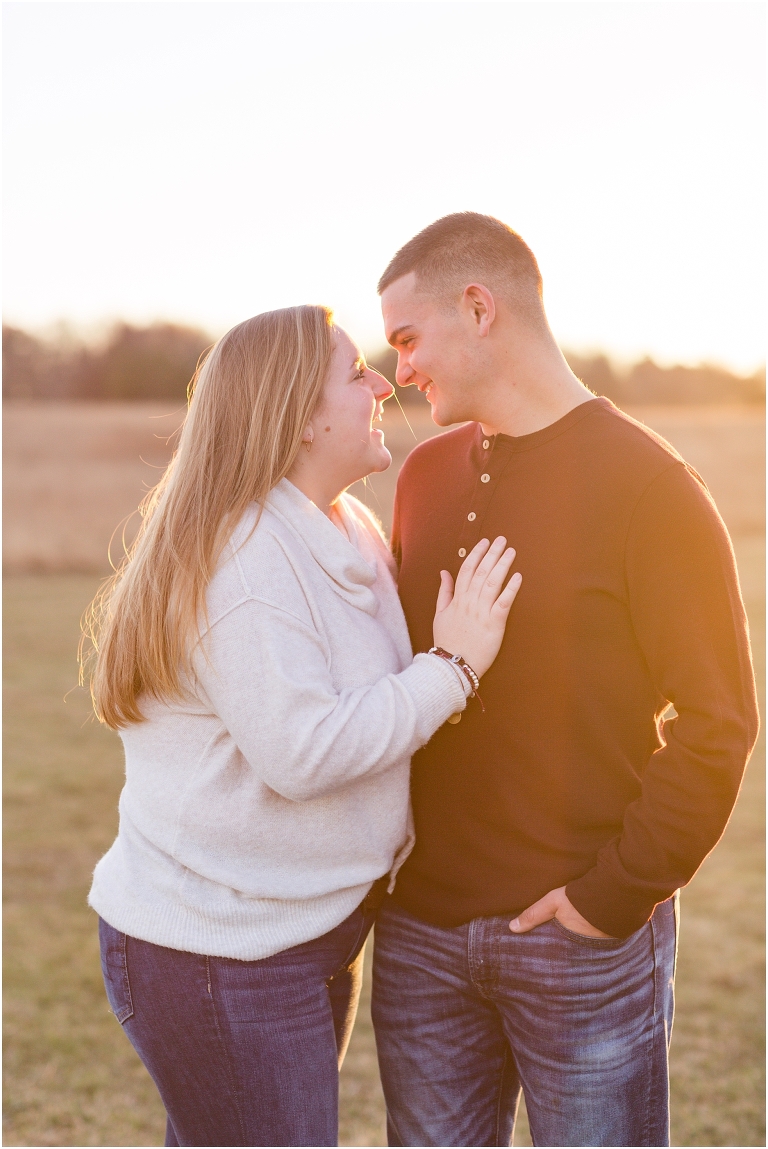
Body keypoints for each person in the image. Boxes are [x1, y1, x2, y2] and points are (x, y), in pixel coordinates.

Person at [81, 304, 522, 1148]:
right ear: (299, 411)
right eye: (356, 371)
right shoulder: (245, 557)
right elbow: (303, 750)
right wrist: (454, 666)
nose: (382, 383)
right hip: (221, 955)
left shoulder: (343, 526)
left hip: (306, 928)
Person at [371, 213, 759, 1148]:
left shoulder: (650, 487)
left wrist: (609, 898)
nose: (401, 370)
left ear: (479, 307)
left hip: (580, 944)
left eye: (407, 338)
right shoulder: (423, 474)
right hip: (420, 940)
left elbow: (719, 721)